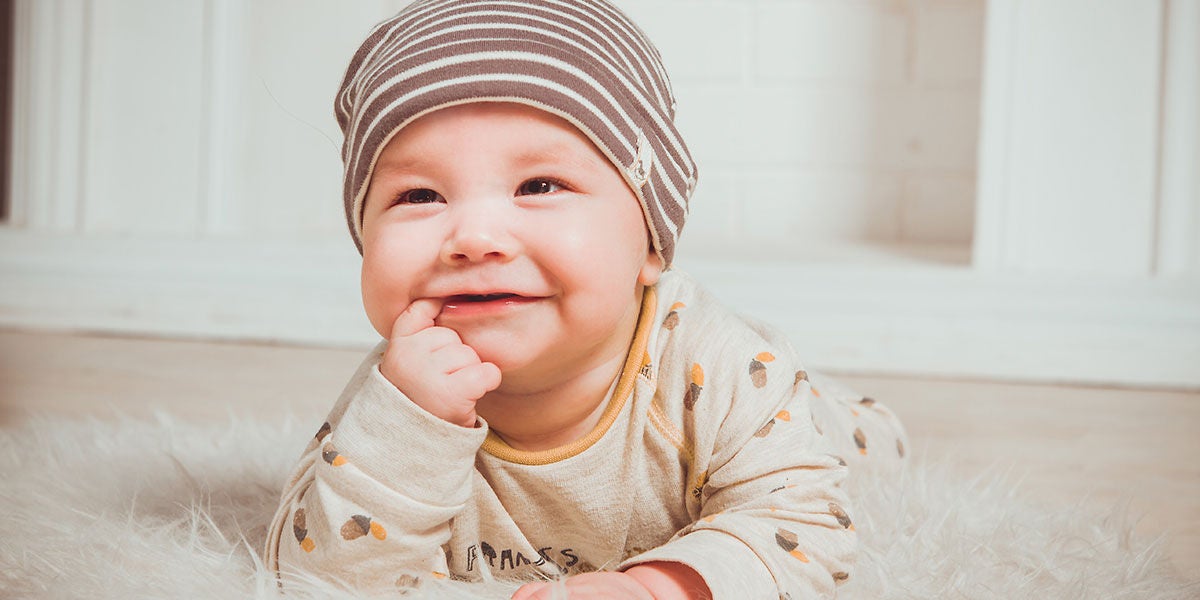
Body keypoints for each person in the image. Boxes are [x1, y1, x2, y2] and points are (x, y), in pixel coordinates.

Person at [264, 1, 907, 598]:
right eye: (420, 196)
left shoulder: (723, 366)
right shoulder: (398, 394)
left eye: (539, 184)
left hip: (795, 421)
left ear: (650, 244)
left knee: (833, 450)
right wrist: (409, 433)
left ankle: (842, 410)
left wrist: (655, 588)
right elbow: (316, 573)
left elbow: (804, 528)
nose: (474, 237)